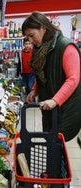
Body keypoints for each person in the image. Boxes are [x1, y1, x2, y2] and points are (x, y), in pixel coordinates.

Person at [22, 11, 81, 142]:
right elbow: (45, 73)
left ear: (43, 28)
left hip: (65, 107)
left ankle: (58, 163)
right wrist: (34, 90)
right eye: (27, 38)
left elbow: (73, 79)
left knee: (58, 144)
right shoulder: (43, 48)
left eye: (32, 35)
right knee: (51, 141)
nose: (30, 41)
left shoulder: (66, 47)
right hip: (49, 105)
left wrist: (55, 100)